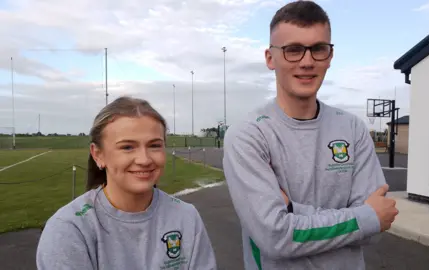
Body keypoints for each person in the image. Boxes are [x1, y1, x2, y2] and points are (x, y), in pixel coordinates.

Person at [222, 1, 399, 269]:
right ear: (271, 58)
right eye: (293, 50)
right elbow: (275, 236)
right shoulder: (248, 135)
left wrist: (293, 211)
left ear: (329, 56)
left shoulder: (352, 128)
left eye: (318, 49)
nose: (307, 61)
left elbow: (376, 229)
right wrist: (363, 218)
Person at [36, 96, 217, 270]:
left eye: (154, 145)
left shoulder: (186, 217)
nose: (144, 159)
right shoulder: (70, 229)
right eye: (127, 147)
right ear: (98, 154)